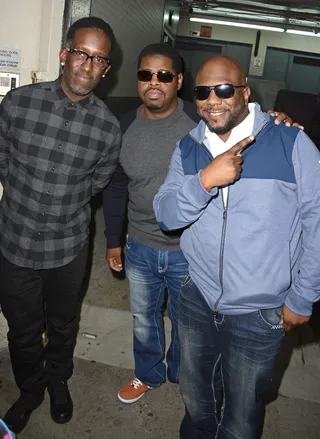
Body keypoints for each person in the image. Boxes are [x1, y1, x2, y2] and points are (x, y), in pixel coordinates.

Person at [103, 43, 299, 405]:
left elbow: (243, 119)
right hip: (141, 244)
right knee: (143, 319)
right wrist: (113, 238)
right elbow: (117, 186)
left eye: (164, 75)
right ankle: (148, 373)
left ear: (178, 81)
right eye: (146, 75)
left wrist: (277, 120)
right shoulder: (126, 124)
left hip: (188, 254)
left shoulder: (201, 120)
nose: (154, 83)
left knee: (186, 324)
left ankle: (182, 373)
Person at [154, 55, 320, 439]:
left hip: (259, 311)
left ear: (245, 91)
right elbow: (165, 214)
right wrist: (206, 180)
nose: (213, 99)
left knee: (243, 412)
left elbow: (316, 222)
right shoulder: (189, 147)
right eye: (202, 91)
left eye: (224, 89)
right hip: (197, 297)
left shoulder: (291, 141)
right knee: (195, 396)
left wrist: (303, 296)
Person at [0, 17, 121, 434]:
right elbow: (2, 160)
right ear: (64, 53)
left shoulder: (107, 127)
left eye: (99, 60)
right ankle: (30, 390)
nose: (88, 66)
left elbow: (97, 183)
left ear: (107, 69)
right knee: (22, 329)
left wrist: (60, 205)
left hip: (68, 247)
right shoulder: (18, 103)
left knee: (64, 324)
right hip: (14, 240)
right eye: (82, 54)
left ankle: (58, 381)